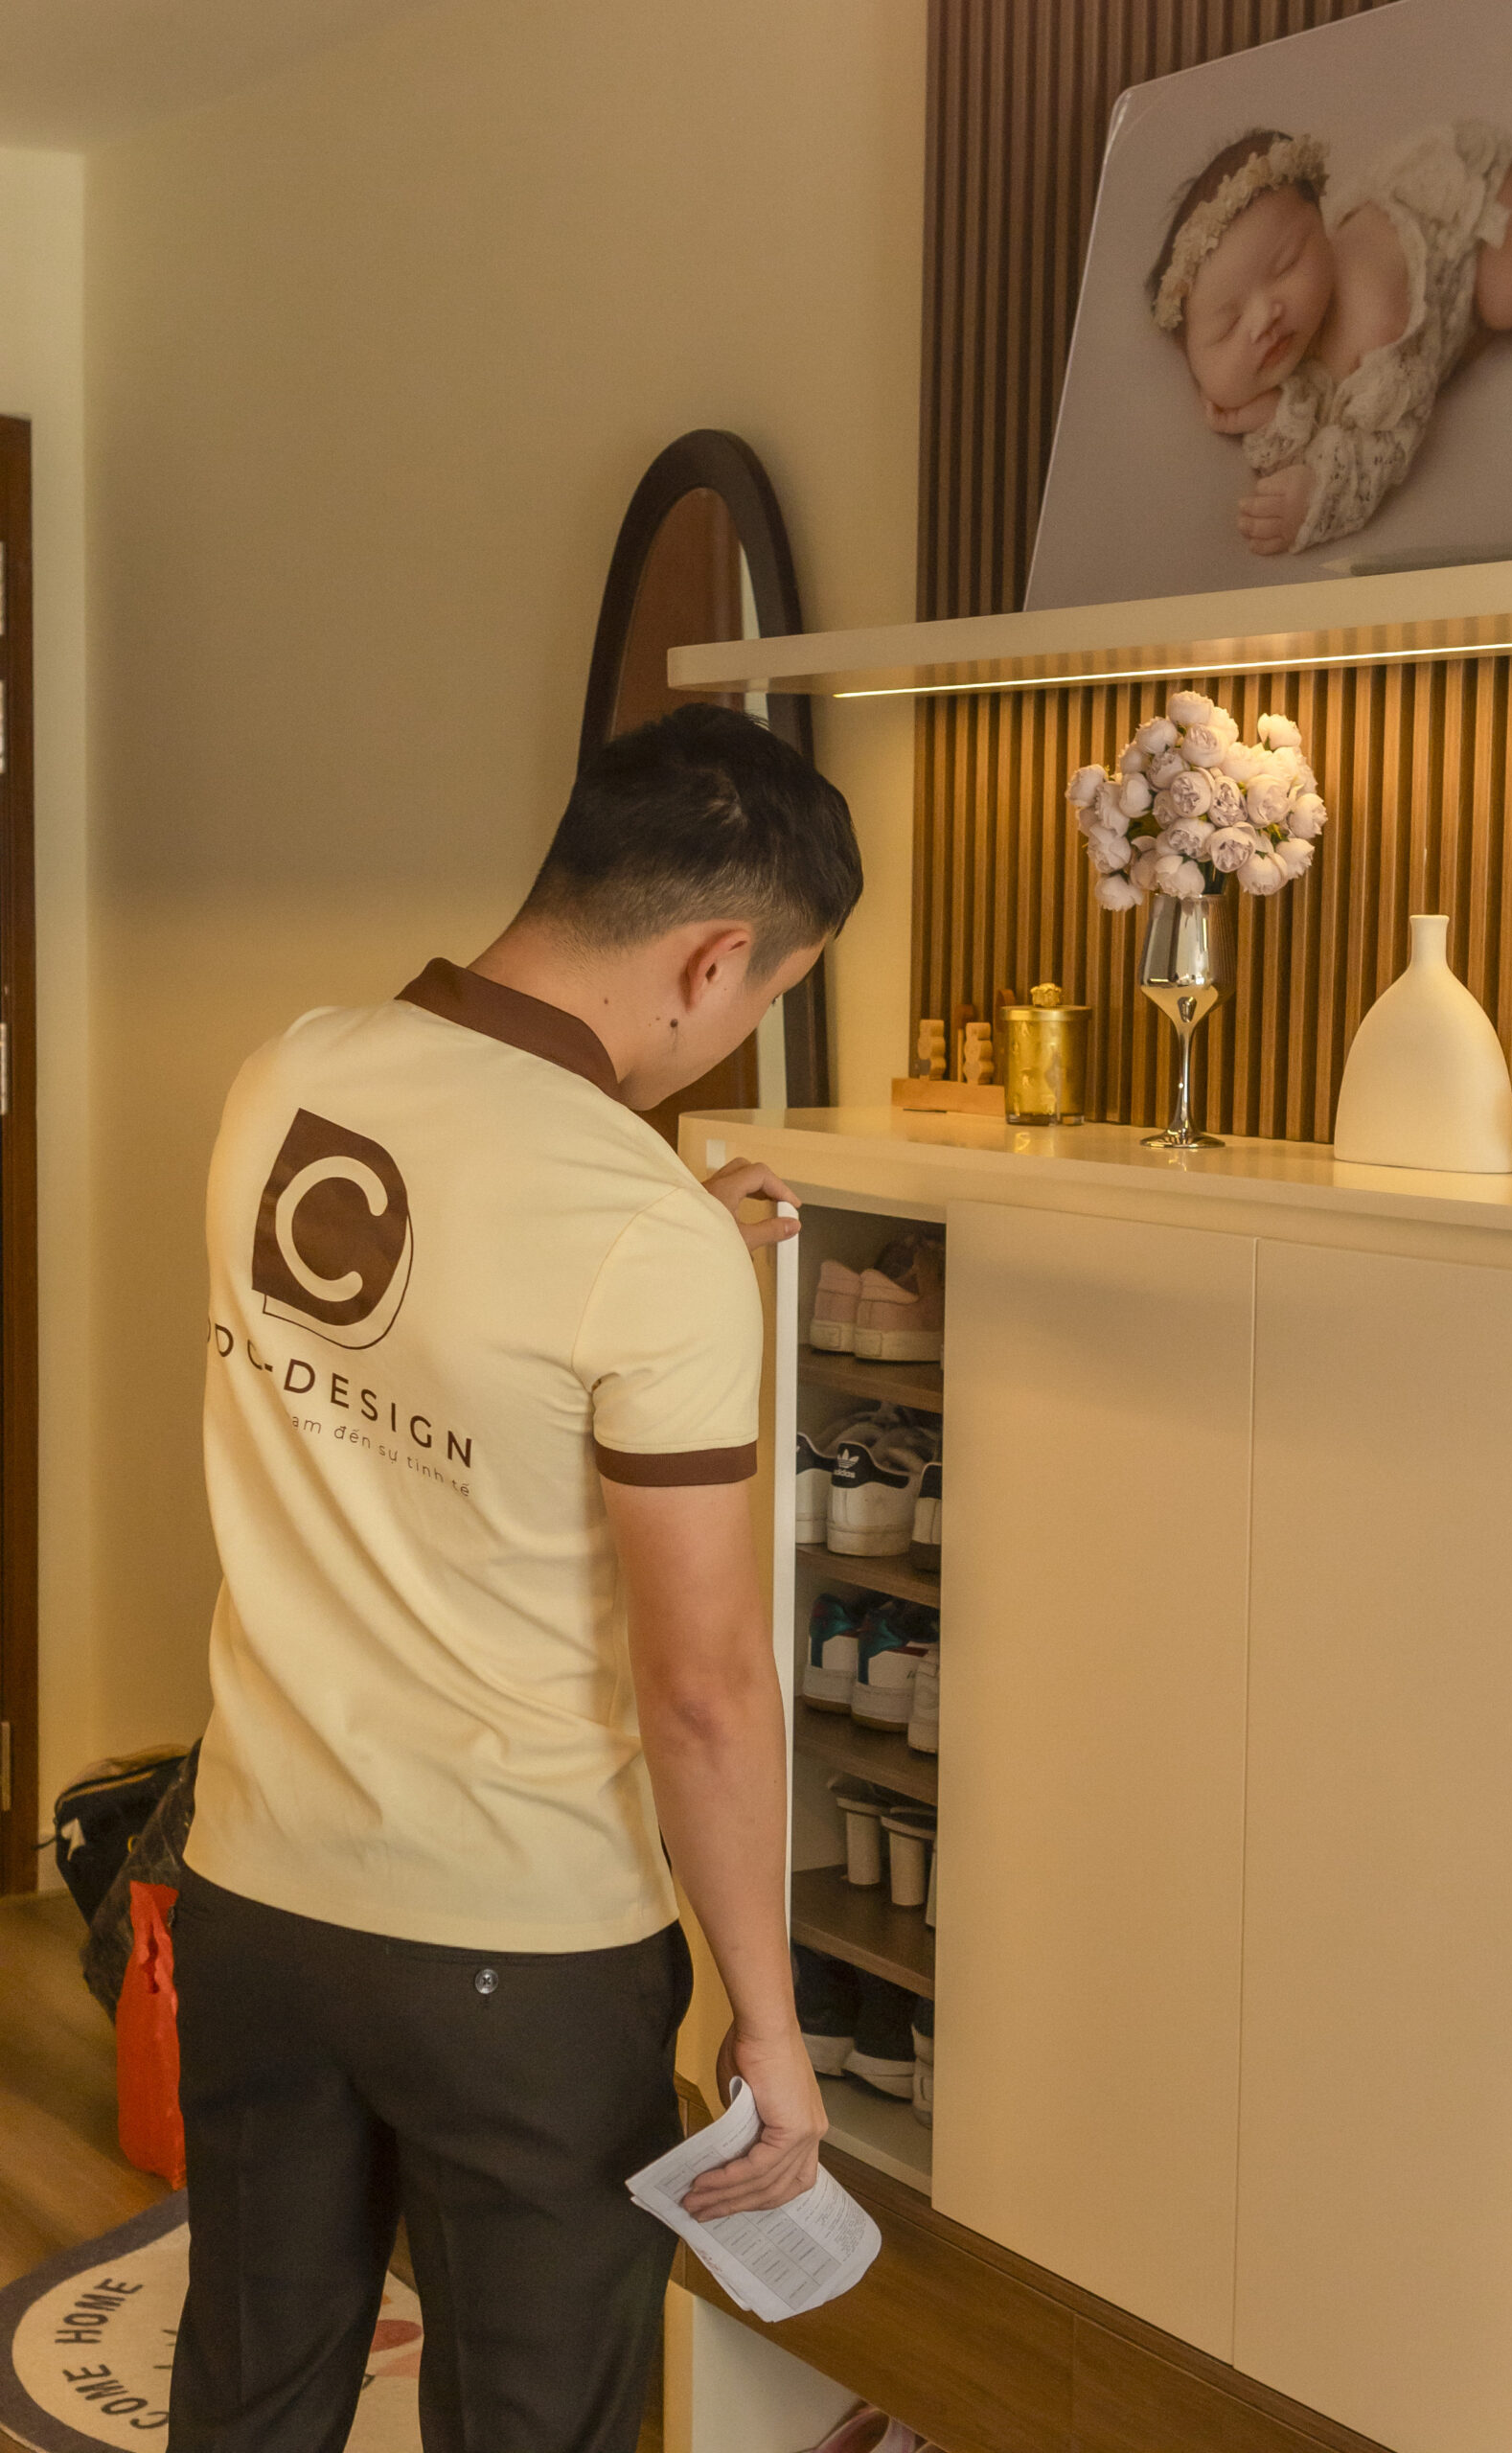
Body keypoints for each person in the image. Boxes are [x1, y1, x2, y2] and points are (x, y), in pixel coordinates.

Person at [171, 702, 864, 2453]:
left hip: (253, 1888)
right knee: (531, 2420)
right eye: (769, 995)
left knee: (248, 2393)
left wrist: (674, 1248)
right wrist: (768, 2026)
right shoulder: (636, 1231)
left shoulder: (288, 1073)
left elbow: (447, 1323)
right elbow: (702, 1693)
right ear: (713, 960)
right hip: (517, 1952)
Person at [1149, 123, 1512, 556]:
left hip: (1467, 210)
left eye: (1285, 264)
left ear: (1320, 228)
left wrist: (1314, 496)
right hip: (1423, 238)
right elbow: (1318, 395)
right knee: (1498, 306)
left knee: (1506, 299)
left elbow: (1382, 444)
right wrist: (1273, 413)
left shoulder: (1374, 320)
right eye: (1228, 326)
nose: (1264, 318)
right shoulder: (1298, 329)